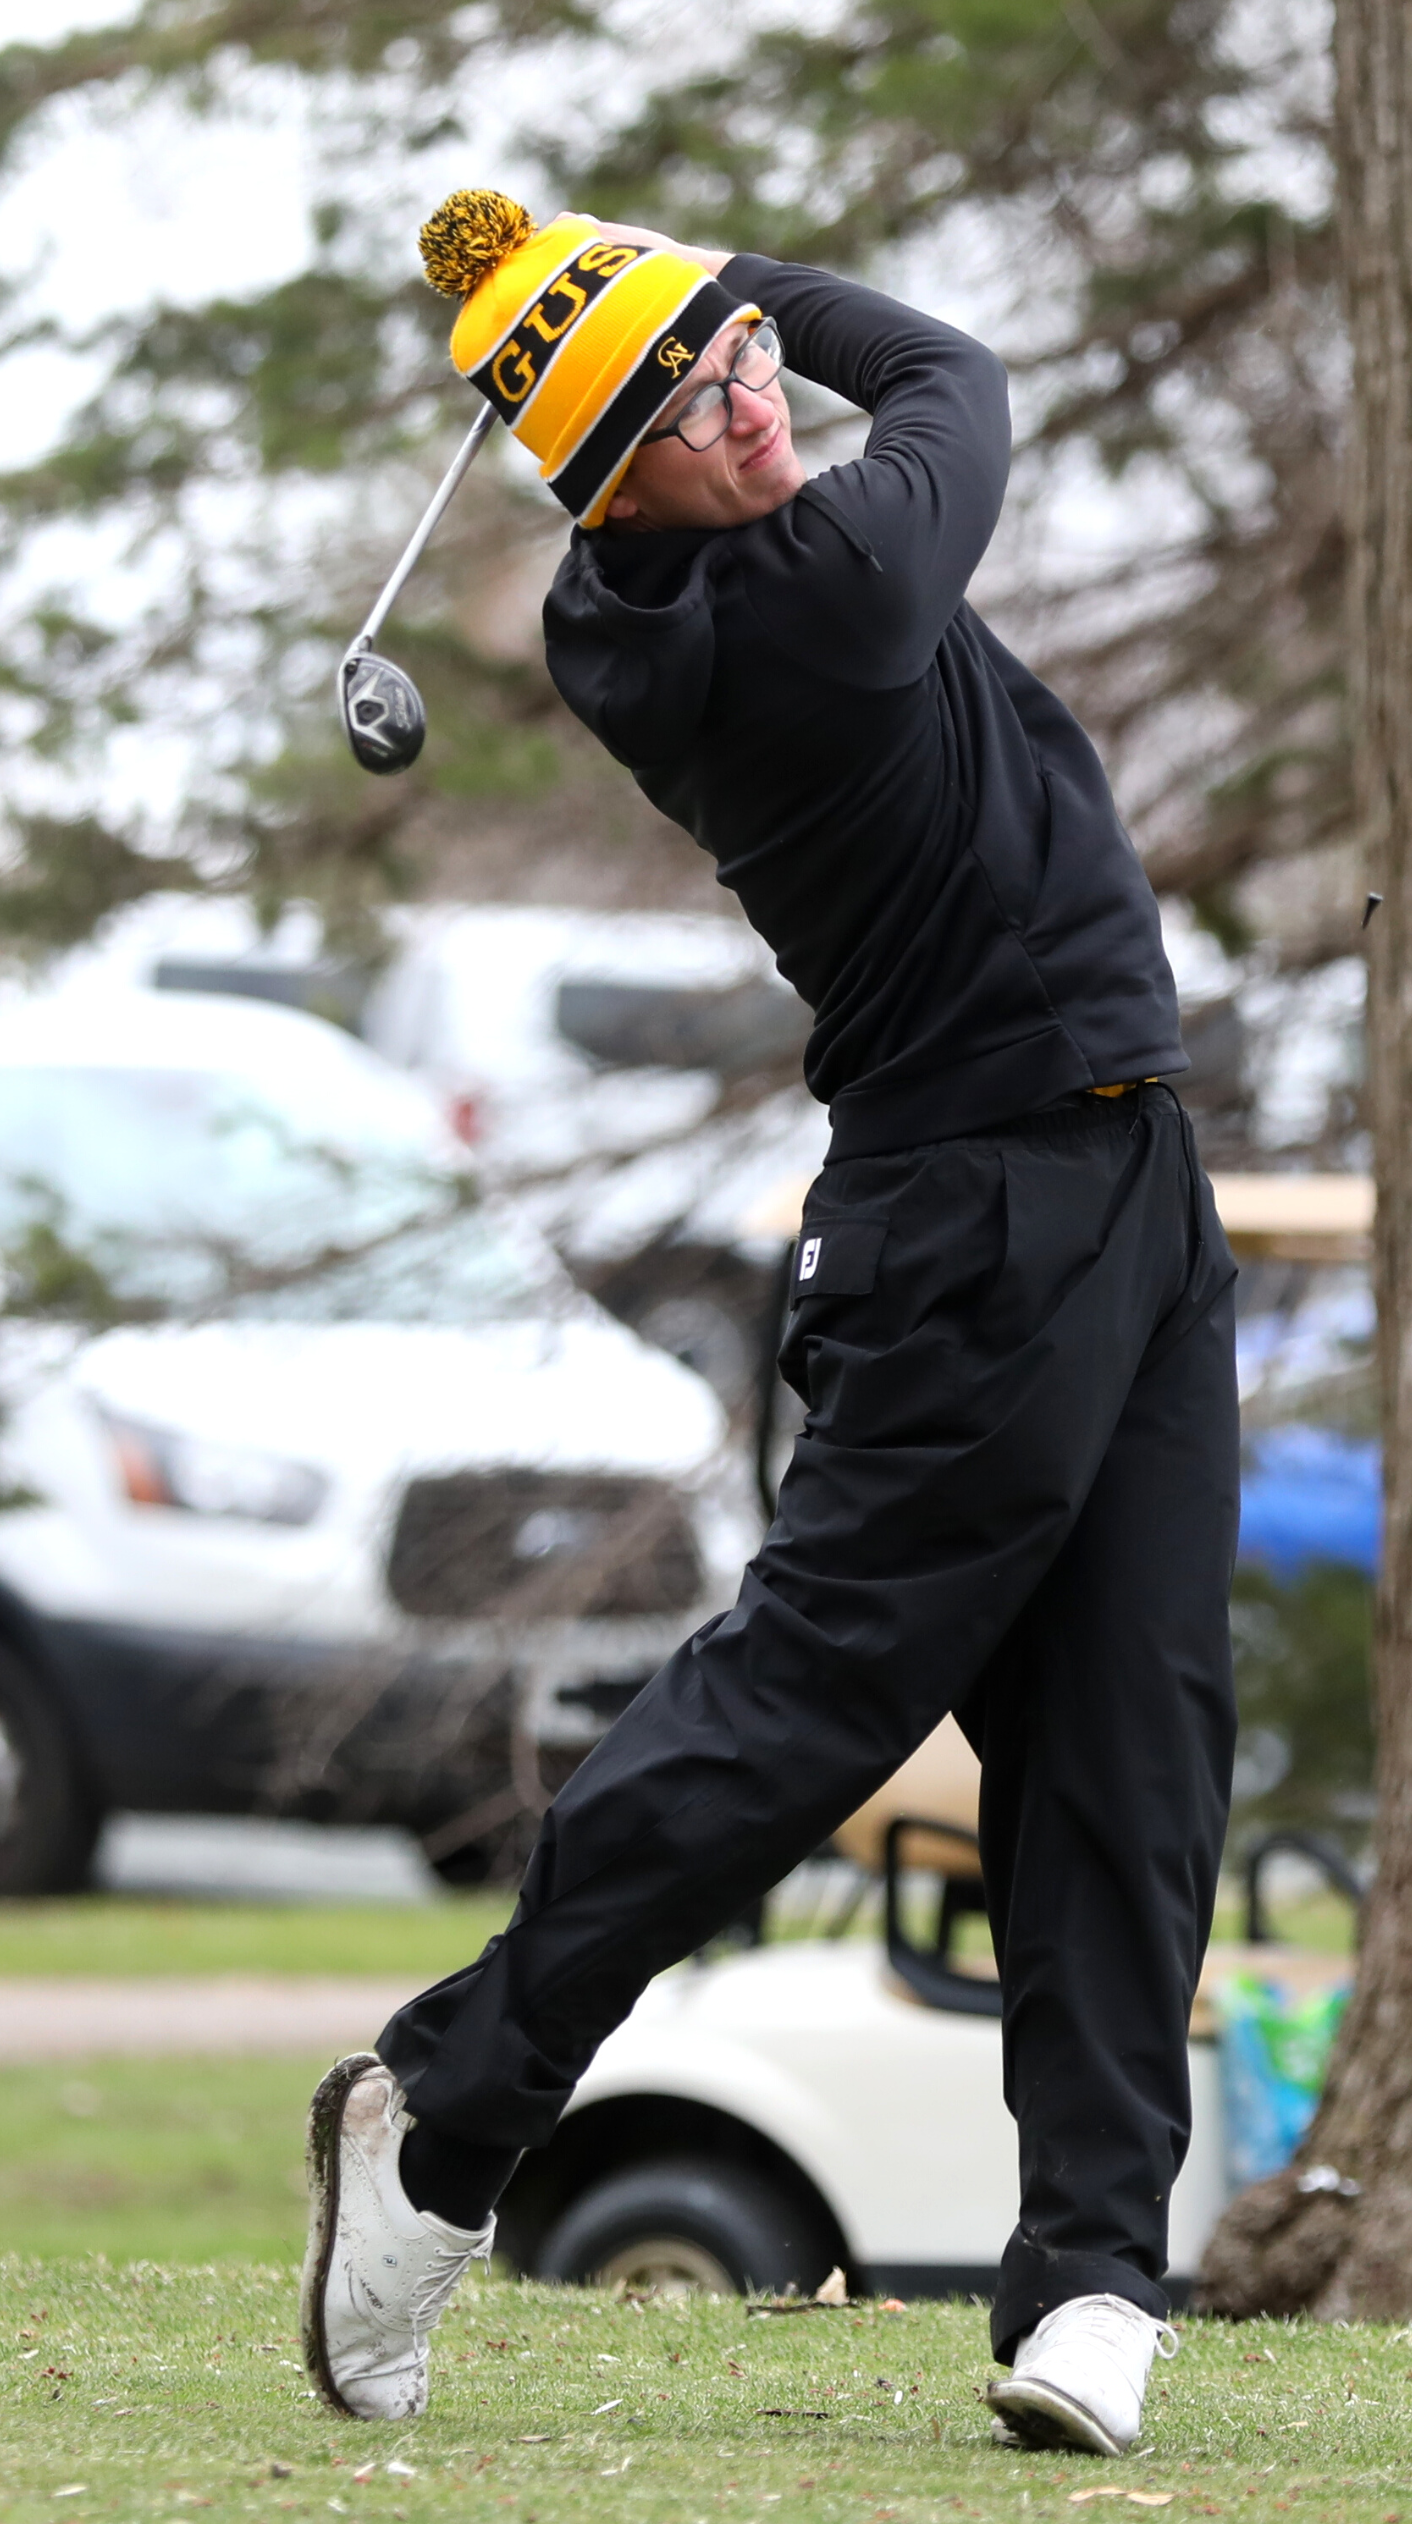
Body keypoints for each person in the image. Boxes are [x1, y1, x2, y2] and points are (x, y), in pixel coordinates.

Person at [300, 192, 1240, 2458]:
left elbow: (821, 386)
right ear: (619, 481)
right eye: (708, 397)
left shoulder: (678, 561)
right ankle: (446, 2102)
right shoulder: (795, 604)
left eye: (747, 365)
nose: (762, 402)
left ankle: (1091, 2277)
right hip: (974, 1213)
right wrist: (735, 271)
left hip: (1124, 1181)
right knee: (807, 1705)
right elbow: (955, 375)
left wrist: (677, 293)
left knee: (1133, 1739)